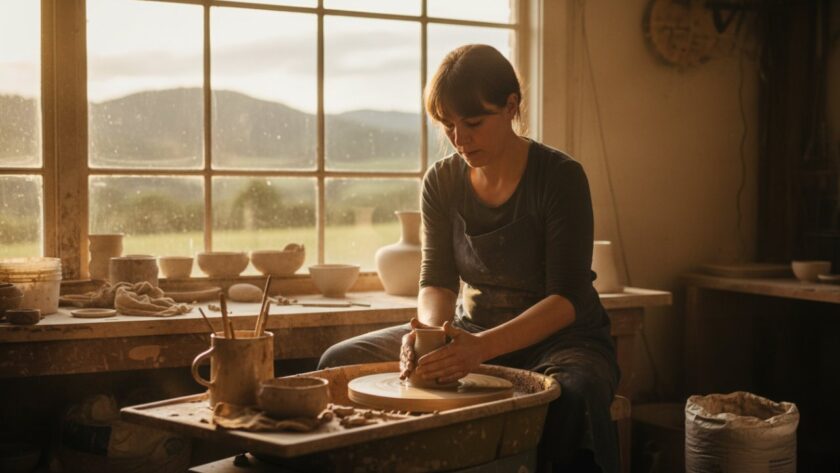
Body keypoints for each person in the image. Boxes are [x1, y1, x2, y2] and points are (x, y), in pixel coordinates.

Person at [318, 44, 619, 473]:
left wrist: (480, 349)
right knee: (338, 363)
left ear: (511, 106)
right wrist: (427, 335)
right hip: (468, 333)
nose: (459, 139)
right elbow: (436, 278)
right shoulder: (442, 181)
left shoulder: (560, 177)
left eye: (473, 123)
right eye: (448, 125)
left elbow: (567, 299)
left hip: (561, 342)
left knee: (574, 393)